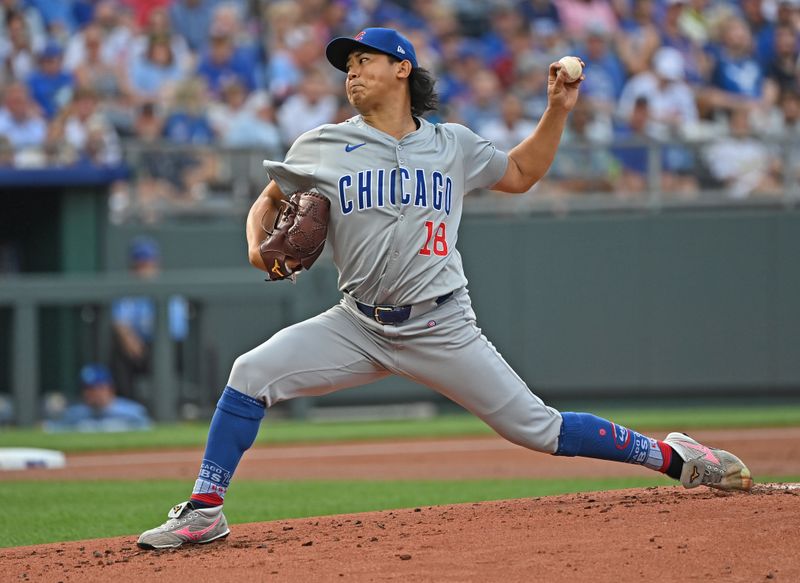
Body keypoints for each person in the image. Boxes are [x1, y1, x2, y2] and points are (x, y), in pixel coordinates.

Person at [137, 27, 752, 550]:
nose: (351, 74)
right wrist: (254, 243)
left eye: (363, 62)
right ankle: (205, 510)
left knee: (538, 429)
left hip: (442, 324)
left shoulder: (451, 144)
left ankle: (674, 458)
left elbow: (520, 173)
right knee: (250, 372)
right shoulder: (321, 144)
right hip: (358, 324)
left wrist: (557, 110)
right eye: (347, 66)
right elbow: (268, 201)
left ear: (401, 68)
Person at [111, 236, 189, 400]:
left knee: (168, 353)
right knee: (118, 350)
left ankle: (171, 404)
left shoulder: (170, 290)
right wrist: (129, 338)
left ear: (156, 263)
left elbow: (177, 331)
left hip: (164, 347)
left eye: (147, 263)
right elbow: (119, 321)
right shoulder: (126, 291)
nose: (143, 269)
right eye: (139, 264)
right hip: (136, 347)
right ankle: (127, 403)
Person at [44, 363, 152, 432]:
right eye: (88, 389)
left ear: (110, 388)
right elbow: (50, 429)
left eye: (98, 388)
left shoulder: (131, 412)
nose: (93, 394)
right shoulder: (74, 414)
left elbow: (149, 430)